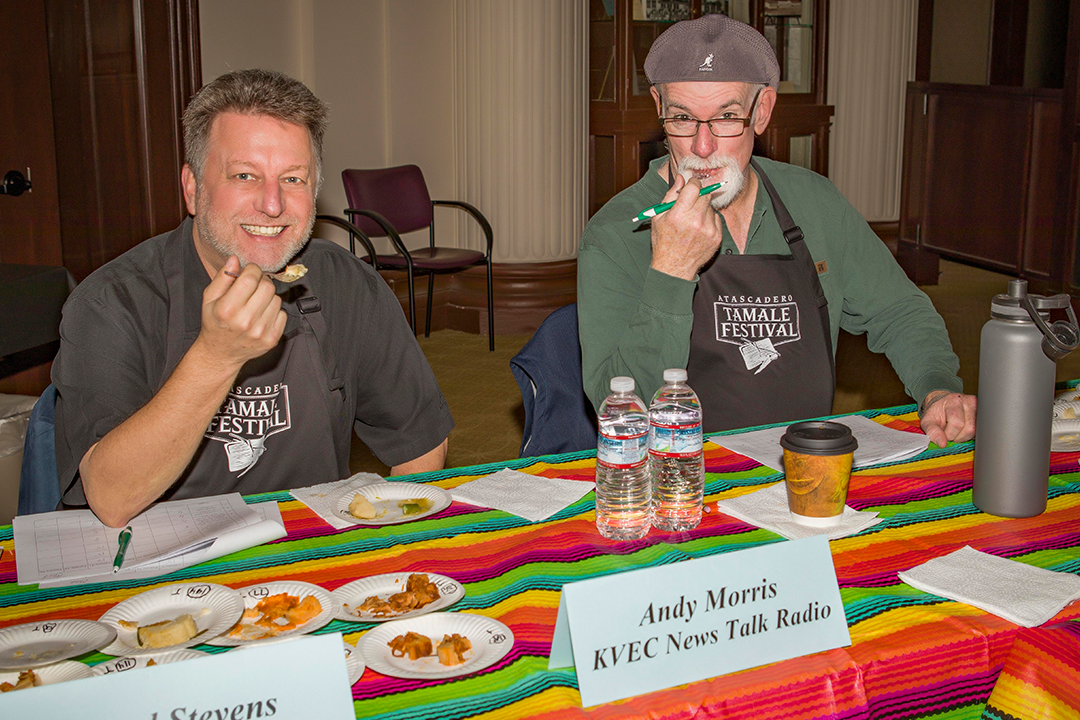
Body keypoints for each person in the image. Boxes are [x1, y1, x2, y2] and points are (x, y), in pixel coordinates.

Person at [52, 69, 454, 527]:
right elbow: (110, 498)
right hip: (165, 573)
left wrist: (383, 549)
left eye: (293, 179)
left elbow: (419, 442)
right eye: (244, 175)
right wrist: (215, 356)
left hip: (309, 556)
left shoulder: (347, 283)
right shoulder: (111, 303)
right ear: (192, 189)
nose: (272, 204)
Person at [577, 15, 976, 447]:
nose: (703, 146)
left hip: (805, 463)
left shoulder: (814, 201)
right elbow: (618, 409)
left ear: (762, 111)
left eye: (728, 116)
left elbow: (899, 311)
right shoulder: (617, 232)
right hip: (681, 479)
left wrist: (937, 388)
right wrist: (671, 268)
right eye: (683, 118)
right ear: (659, 107)